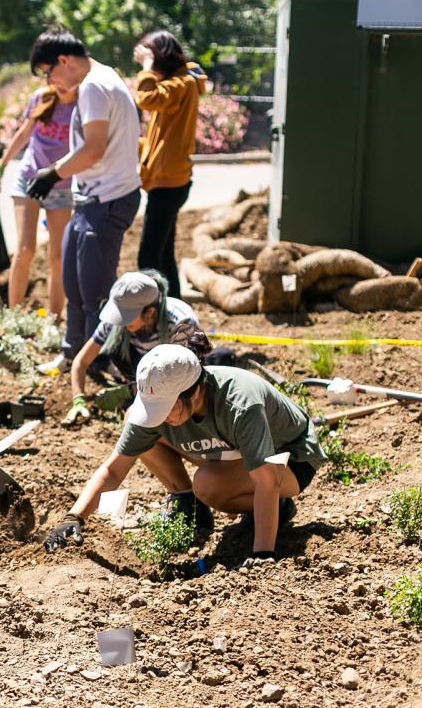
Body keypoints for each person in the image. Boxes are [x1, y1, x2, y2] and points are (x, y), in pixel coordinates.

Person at [44, 341, 327, 567]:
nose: (161, 417)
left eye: (166, 408)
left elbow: (266, 479)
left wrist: (263, 554)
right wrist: (73, 518)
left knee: (209, 484)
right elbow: (114, 469)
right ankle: (188, 504)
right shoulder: (164, 413)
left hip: (289, 457)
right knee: (145, 434)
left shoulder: (239, 404)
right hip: (231, 450)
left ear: (193, 393)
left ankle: (277, 507)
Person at [25, 29, 142, 366]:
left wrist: (52, 173)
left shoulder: (93, 85)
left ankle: (96, 363)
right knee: (74, 285)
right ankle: (71, 354)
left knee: (95, 292)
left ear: (64, 60)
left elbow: (93, 149)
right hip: (91, 199)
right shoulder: (102, 78)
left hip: (107, 199)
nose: (50, 81)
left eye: (48, 72)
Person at [63, 271, 202, 426]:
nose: (121, 322)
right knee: (114, 346)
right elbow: (80, 363)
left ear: (150, 312)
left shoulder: (182, 324)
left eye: (127, 318)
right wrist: (78, 400)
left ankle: (141, 394)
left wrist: (128, 391)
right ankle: (140, 390)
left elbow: (182, 378)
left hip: (178, 372)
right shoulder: (117, 320)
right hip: (144, 362)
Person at [0, 75, 78, 314]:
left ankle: (54, 320)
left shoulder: (83, 105)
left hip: (61, 186)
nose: (61, 82)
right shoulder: (41, 98)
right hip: (29, 179)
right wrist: (2, 164)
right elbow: (23, 134)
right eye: (55, 78)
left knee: (58, 257)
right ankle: (14, 317)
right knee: (25, 250)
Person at [133, 30, 206, 297]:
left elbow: (146, 98)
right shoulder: (179, 86)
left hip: (168, 184)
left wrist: (147, 66)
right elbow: (161, 137)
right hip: (170, 181)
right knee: (163, 256)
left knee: (148, 259)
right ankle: (175, 315)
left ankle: (157, 318)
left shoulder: (181, 85)